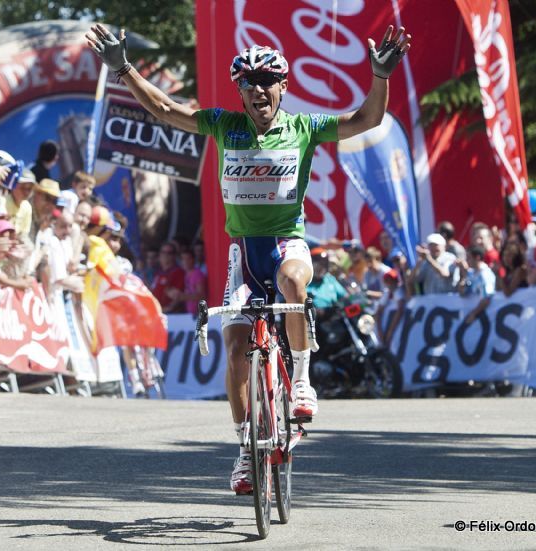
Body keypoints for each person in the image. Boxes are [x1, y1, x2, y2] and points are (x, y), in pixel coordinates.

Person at [87, 21, 411, 494]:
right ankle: (245, 450)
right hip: (243, 256)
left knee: (295, 284)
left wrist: (379, 77)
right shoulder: (225, 125)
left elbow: (366, 120)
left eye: (267, 81)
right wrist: (124, 69)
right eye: (248, 83)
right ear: (239, 90)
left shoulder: (304, 128)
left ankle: (301, 380)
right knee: (237, 352)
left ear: (284, 86)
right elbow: (164, 108)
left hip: (286, 244)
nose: (258, 90)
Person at [456, 246, 496, 325]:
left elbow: (487, 298)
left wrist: (473, 314)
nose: (467, 261)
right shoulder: (471, 273)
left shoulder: (485, 275)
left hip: (485, 318)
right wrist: (463, 278)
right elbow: (462, 293)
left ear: (477, 257)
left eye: (469, 258)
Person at [150, 241, 186, 314]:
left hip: (171, 315)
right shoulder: (158, 273)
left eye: (169, 253)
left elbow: (178, 296)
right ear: (159, 254)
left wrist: (168, 309)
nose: (166, 255)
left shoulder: (179, 272)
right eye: (163, 252)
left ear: (174, 255)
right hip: (156, 313)